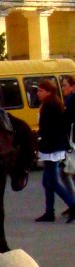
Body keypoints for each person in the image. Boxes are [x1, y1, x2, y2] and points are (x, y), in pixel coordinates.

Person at [34, 79, 75, 223]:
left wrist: (40, 140)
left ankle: (73, 205)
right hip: (52, 147)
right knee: (47, 181)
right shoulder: (51, 104)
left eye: (41, 91)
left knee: (52, 181)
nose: (38, 93)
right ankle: (49, 212)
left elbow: (49, 128)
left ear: (49, 92)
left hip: (52, 148)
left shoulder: (50, 105)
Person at [61, 75, 75, 207]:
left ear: (72, 86)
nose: (63, 88)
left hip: (72, 140)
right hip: (70, 139)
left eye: (65, 85)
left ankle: (73, 203)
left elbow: (67, 120)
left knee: (66, 172)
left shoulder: (72, 100)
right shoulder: (68, 100)